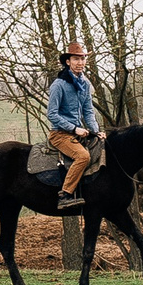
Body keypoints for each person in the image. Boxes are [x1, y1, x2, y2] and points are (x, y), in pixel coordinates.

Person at [47, 44, 98, 211]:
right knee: (83, 157)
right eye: (76, 59)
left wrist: (96, 131)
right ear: (68, 61)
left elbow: (88, 111)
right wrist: (75, 129)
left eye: (82, 58)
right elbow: (52, 114)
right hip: (60, 134)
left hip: (78, 133)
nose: (80, 62)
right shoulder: (59, 85)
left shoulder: (84, 84)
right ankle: (66, 194)